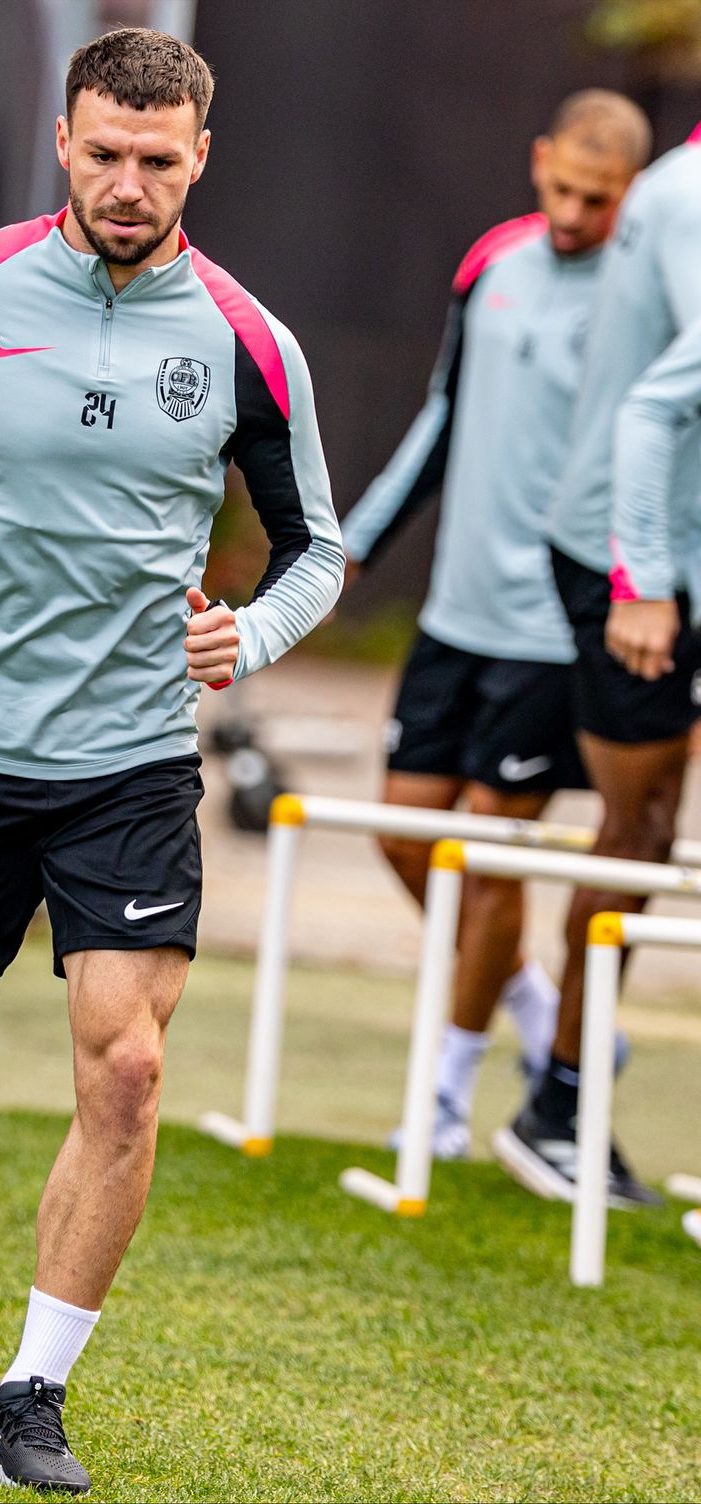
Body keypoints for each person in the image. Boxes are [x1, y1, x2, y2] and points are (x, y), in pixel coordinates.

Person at [0, 27, 343, 1494]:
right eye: (103, 153)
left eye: (156, 161)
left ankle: (28, 1398)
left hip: (130, 758)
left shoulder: (247, 340)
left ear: (200, 159)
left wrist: (251, 633)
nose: (126, 183)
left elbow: (316, 549)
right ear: (62, 141)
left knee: (130, 1065)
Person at [337, 92, 650, 1157]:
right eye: (561, 189)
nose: (572, 215)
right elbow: (444, 413)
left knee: (487, 862)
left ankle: (444, 1103)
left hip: (554, 629)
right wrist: (355, 541)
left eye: (597, 201)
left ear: (630, 195)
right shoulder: (492, 261)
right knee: (404, 833)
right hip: (454, 610)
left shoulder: (645, 293)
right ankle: (527, 998)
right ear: (539, 160)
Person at [494, 124, 701, 1208]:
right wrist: (642, 580)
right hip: (632, 554)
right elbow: (657, 408)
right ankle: (561, 1101)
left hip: (663, 550)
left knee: (647, 829)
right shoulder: (689, 195)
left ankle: (563, 1093)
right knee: (635, 831)